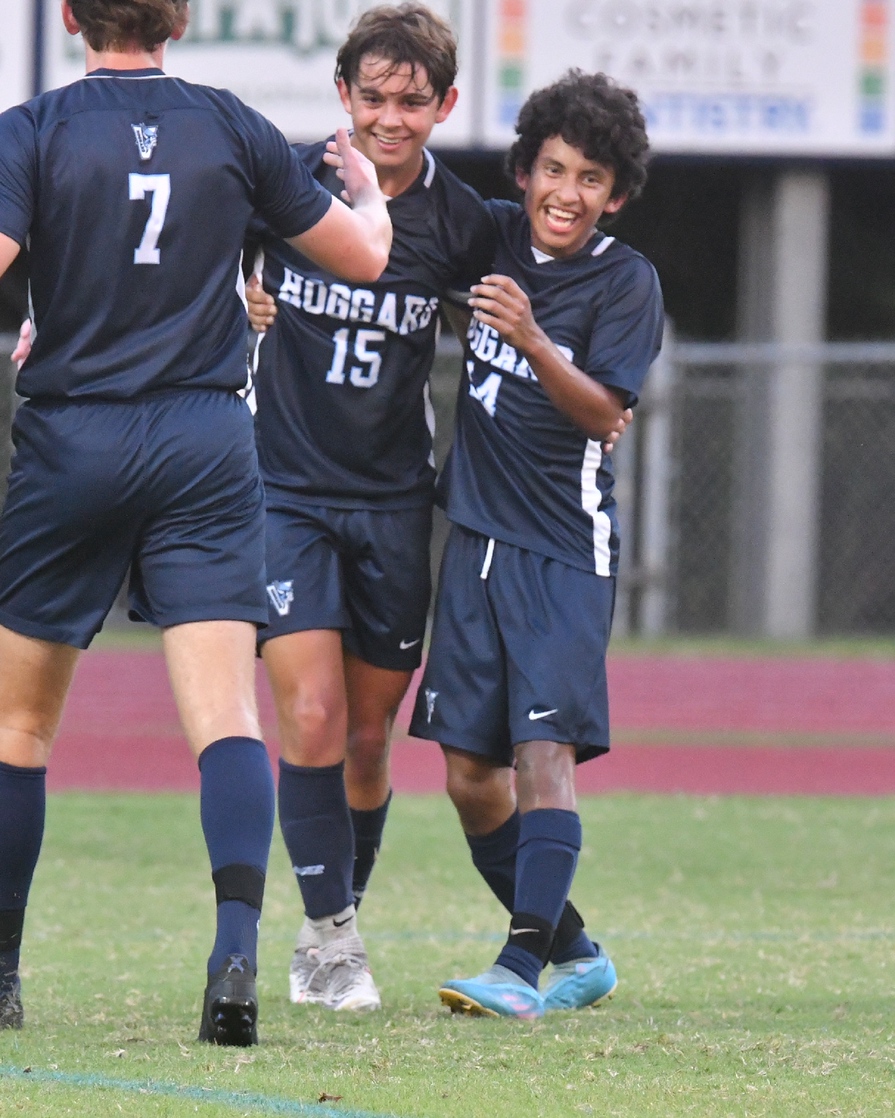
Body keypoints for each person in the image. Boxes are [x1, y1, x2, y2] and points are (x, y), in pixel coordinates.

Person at [0, 0, 390, 1045]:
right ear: (177, 20)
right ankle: (232, 957)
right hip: (204, 438)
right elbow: (359, 256)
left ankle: (0, 973)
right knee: (226, 720)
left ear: (74, 15)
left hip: (73, 436)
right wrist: (371, 199)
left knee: (18, 726)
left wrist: (39, 323)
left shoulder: (30, 129)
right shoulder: (232, 124)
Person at [243, 3, 497, 1013]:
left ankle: (329, 918)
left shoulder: (463, 219)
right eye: (375, 97)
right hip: (285, 491)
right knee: (306, 712)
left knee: (365, 735)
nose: (392, 117)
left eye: (412, 99)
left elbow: (533, 294)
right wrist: (237, 290)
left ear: (444, 104)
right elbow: (191, 248)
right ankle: (334, 940)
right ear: (342, 96)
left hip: (394, 499)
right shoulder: (289, 183)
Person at [408, 69, 664, 1019]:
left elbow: (605, 414)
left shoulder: (625, 280)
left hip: (562, 547)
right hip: (471, 539)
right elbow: (397, 214)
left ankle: (518, 973)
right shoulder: (491, 235)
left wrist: (531, 338)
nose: (566, 192)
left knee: (538, 753)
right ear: (523, 172)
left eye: (590, 178)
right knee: (470, 778)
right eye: (552, 169)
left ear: (616, 194)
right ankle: (578, 953)